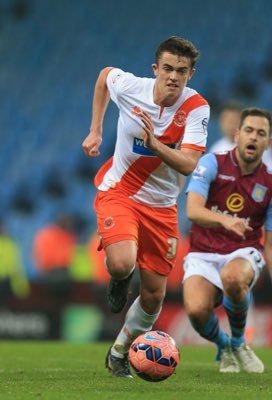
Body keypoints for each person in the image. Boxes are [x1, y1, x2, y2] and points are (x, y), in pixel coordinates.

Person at [82, 36, 209, 378]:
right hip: (120, 191)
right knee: (122, 262)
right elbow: (104, 75)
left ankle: (119, 351)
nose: (173, 76)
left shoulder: (197, 108)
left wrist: (155, 144)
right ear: (156, 69)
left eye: (181, 71)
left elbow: (188, 164)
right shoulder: (132, 88)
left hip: (163, 207)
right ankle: (120, 277)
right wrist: (95, 131)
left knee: (154, 297)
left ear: (190, 74)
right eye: (167, 68)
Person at [183, 107, 272, 373]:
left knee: (234, 277)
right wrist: (225, 220)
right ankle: (226, 346)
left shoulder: (269, 182)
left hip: (244, 251)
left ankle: (239, 341)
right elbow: (192, 211)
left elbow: (270, 242)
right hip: (203, 252)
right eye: (248, 131)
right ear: (237, 135)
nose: (253, 138)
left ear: (269, 142)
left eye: (261, 133)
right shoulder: (211, 163)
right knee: (197, 312)